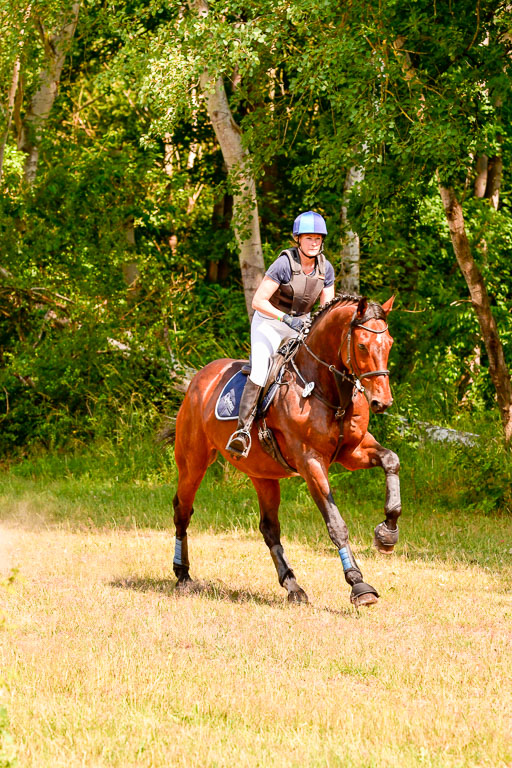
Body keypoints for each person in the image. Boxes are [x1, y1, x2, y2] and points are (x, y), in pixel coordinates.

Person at [226, 210, 336, 457]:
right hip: (270, 322)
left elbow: (326, 308)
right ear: (298, 239)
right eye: (309, 238)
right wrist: (286, 319)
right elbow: (258, 301)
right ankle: (242, 432)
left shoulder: (325, 268)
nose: (314, 243)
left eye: (318, 238)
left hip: (301, 325)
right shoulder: (284, 263)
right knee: (261, 371)